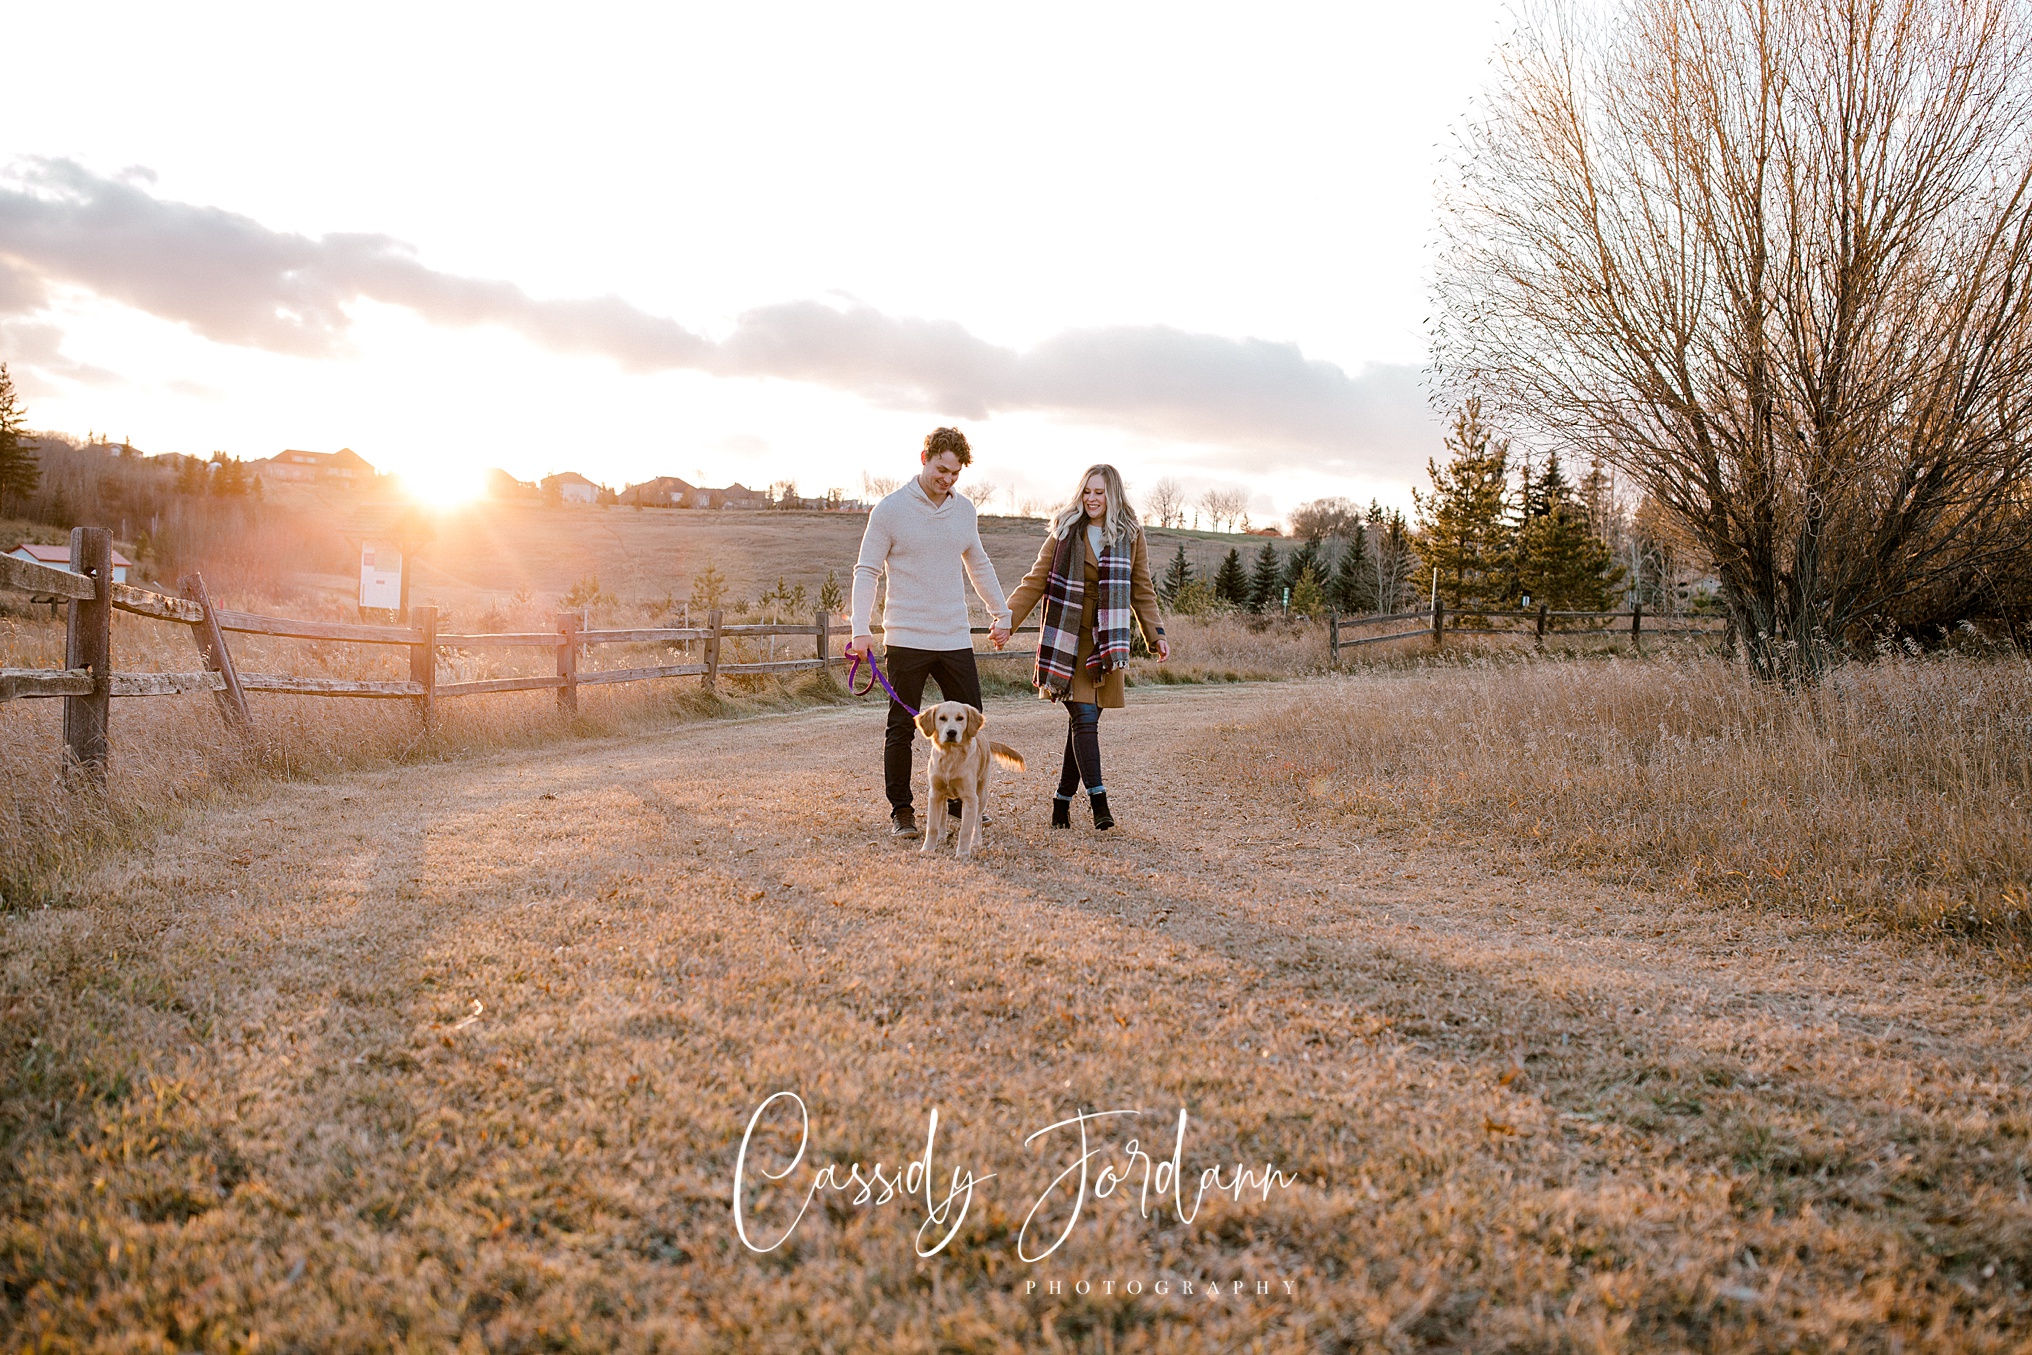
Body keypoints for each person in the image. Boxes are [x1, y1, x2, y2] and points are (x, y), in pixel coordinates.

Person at [847, 427, 1013, 839]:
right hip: (906, 636)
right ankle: (902, 812)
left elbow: (980, 564)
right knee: (902, 726)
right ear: (924, 457)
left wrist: (1002, 612)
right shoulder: (889, 510)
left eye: (955, 474)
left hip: (954, 635)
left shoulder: (964, 511)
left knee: (972, 723)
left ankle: (961, 804)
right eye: (942, 470)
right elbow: (866, 570)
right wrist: (860, 629)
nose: (947, 480)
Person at [1001, 464, 1169, 830]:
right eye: (1087, 492)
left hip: (1106, 638)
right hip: (1069, 637)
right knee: (1085, 719)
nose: (1092, 499)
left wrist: (1156, 634)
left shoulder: (1130, 534)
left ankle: (1061, 804)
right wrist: (1006, 621)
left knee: (1083, 724)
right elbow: (1035, 580)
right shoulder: (1064, 532)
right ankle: (1099, 803)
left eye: (1100, 492)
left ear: (1114, 495)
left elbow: (1141, 589)